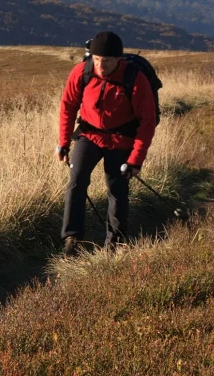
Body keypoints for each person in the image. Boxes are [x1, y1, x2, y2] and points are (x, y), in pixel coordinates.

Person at [56, 31, 158, 255]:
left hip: (122, 139)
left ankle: (116, 243)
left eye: (108, 61)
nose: (101, 65)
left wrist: (135, 160)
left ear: (119, 60)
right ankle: (72, 238)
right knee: (76, 181)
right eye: (98, 60)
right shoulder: (82, 72)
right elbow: (68, 107)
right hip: (89, 136)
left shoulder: (134, 78)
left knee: (117, 188)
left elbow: (147, 121)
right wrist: (63, 143)